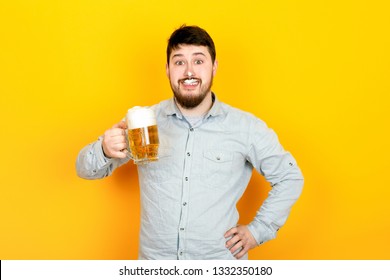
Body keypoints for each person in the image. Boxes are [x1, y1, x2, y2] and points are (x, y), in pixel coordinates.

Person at [76, 25, 304, 260]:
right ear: (167, 69)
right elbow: (84, 169)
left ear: (214, 67)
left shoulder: (246, 127)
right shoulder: (142, 122)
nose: (188, 72)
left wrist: (258, 231)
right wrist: (104, 150)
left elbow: (289, 177)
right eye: (179, 62)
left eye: (198, 61)